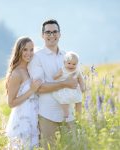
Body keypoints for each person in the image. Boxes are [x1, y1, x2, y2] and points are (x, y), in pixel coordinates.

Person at [28, 19, 78, 148]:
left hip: (68, 114)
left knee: (74, 146)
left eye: (55, 32)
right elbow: (38, 88)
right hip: (47, 115)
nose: (51, 35)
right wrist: (65, 84)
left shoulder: (67, 56)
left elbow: (75, 80)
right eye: (48, 32)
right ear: (42, 35)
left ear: (60, 34)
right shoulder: (37, 57)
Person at [5, 37, 42, 150]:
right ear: (19, 51)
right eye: (25, 50)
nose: (29, 53)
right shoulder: (16, 74)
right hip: (22, 121)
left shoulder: (30, 69)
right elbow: (11, 103)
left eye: (31, 49)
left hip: (34, 118)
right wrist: (31, 90)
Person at [52, 51, 85, 122]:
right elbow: (54, 77)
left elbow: (81, 80)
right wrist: (58, 75)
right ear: (64, 63)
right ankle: (66, 112)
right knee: (64, 101)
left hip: (74, 90)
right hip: (64, 90)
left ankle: (78, 114)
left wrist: (82, 87)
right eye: (69, 63)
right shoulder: (62, 70)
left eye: (74, 64)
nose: (71, 66)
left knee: (79, 101)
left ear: (77, 64)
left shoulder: (77, 71)